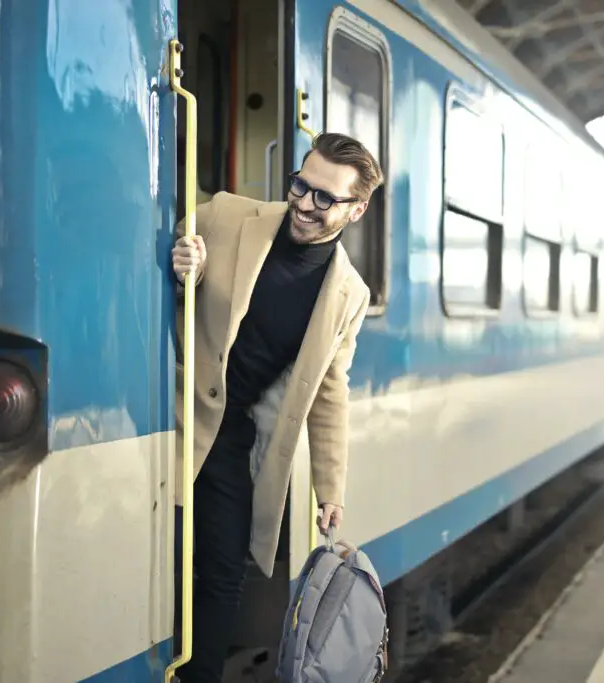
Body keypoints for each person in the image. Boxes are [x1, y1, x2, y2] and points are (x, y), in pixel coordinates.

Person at [170, 132, 383, 682]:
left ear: (356, 209)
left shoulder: (347, 294)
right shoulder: (225, 215)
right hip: (167, 412)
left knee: (222, 572)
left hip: (229, 431)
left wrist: (330, 488)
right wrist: (179, 258)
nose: (305, 206)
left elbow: (331, 390)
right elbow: (160, 245)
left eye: (324, 199)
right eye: (301, 186)